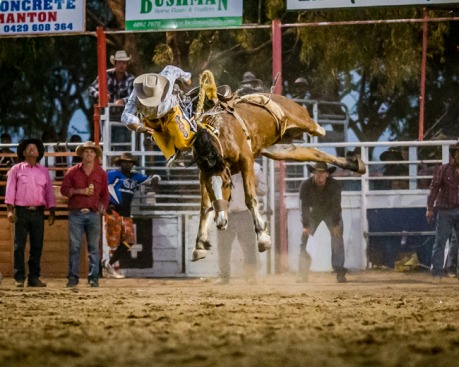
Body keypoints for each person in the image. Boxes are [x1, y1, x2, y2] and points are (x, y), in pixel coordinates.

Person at [5, 138, 56, 287]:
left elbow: (49, 193)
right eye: (29, 147)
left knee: (37, 246)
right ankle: (19, 278)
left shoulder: (44, 171)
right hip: (21, 212)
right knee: (18, 246)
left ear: (39, 153)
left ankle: (34, 278)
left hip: (38, 213)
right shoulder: (16, 169)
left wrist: (52, 211)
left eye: (35, 147)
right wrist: (9, 210)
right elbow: (10, 190)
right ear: (23, 152)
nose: (32, 149)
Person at [121, 65, 195, 165]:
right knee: (169, 150)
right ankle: (174, 155)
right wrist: (138, 127)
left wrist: (186, 78)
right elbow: (126, 115)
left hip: (171, 113)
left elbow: (171, 69)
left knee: (184, 143)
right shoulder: (136, 95)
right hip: (151, 121)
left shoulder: (166, 80)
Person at [102, 152, 160, 279]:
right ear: (120, 163)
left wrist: (155, 180)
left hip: (126, 212)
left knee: (129, 240)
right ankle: (110, 268)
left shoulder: (135, 177)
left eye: (130, 162)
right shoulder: (113, 174)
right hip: (113, 210)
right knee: (113, 242)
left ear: (133, 164)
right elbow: (101, 187)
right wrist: (105, 204)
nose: (127, 164)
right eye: (125, 162)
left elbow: (152, 179)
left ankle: (108, 263)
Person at [61, 141, 109, 288]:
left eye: (92, 152)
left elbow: (105, 194)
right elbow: (64, 190)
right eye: (86, 152)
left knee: (93, 248)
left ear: (95, 155)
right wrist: (79, 191)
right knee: (75, 247)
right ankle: (73, 278)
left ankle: (93, 278)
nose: (89, 154)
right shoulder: (72, 172)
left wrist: (103, 207)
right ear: (82, 154)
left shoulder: (101, 173)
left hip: (93, 214)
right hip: (76, 213)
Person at [215, 162, 267, 285]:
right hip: (226, 212)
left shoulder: (254, 167)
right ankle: (224, 276)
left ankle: (250, 275)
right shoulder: (220, 167)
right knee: (223, 247)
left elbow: (264, 190)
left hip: (244, 212)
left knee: (249, 247)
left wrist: (256, 182)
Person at [298, 162, 347, 283]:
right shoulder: (306, 185)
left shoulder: (334, 185)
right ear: (314, 173)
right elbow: (304, 206)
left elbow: (336, 206)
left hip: (331, 212)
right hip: (314, 213)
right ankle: (303, 273)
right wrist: (306, 225)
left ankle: (339, 270)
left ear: (327, 174)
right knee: (306, 238)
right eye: (317, 173)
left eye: (322, 173)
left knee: (337, 238)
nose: (320, 176)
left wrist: (335, 224)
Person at [426, 142, 459, 283]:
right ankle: (436, 273)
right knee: (440, 242)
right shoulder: (443, 169)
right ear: (454, 155)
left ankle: (440, 272)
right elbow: (434, 188)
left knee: (441, 242)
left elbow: (434, 188)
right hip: (445, 209)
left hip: (450, 209)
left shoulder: (443, 169)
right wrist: (429, 207)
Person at [0, 133, 17, 203]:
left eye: (7, 141)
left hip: (11, 180)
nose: (5, 142)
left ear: (10, 142)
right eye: (4, 141)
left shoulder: (13, 154)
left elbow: (17, 167)